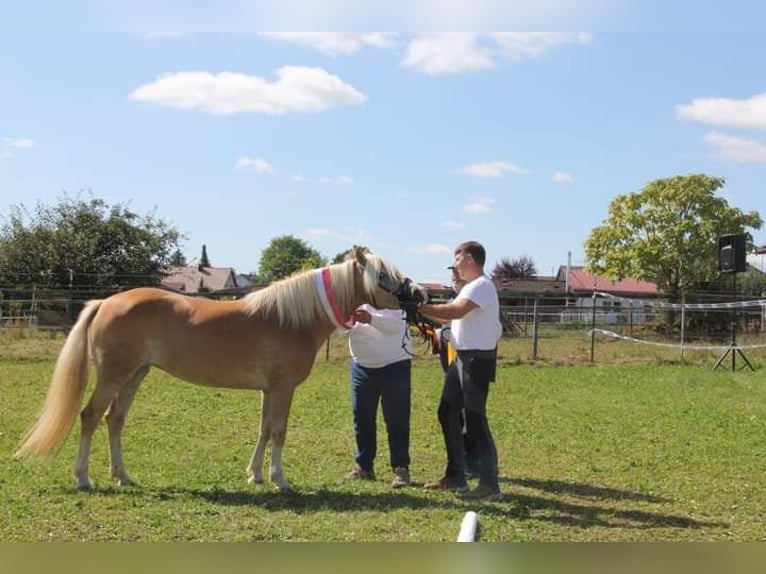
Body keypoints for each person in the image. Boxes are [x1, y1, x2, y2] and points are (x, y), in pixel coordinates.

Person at [418, 241, 502, 500]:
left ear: (468, 259)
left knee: (475, 420)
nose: (454, 266)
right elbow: (446, 317)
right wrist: (420, 312)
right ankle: (456, 474)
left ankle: (490, 484)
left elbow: (455, 311)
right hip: (462, 359)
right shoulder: (470, 288)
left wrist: (419, 308)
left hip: (476, 360)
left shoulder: (482, 286)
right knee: (447, 412)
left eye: (456, 260)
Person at [344, 302, 413, 488]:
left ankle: (401, 468)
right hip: (362, 366)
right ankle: (364, 466)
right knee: (362, 418)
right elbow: (338, 331)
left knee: (397, 420)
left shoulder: (393, 297)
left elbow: (397, 324)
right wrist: (343, 321)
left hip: (395, 365)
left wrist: (370, 318)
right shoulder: (351, 300)